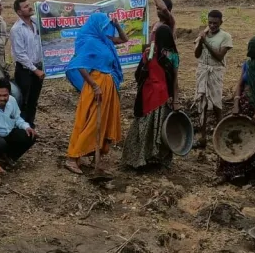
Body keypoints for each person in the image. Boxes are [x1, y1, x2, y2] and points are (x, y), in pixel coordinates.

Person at [64, 12, 128, 175]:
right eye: (104, 26)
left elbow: (124, 39)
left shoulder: (105, 41)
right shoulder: (90, 42)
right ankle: (72, 158)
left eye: (107, 26)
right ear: (96, 26)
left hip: (108, 84)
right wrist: (94, 86)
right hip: (96, 85)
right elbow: (79, 65)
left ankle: (95, 156)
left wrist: (117, 24)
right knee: (91, 121)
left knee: (104, 121)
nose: (107, 29)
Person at [219, 36, 255, 184]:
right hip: (244, 105)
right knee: (235, 136)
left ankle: (254, 173)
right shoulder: (247, 64)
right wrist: (236, 103)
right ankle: (234, 171)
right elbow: (240, 85)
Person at [123, 24, 179, 170]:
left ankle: (140, 158)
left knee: (144, 127)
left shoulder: (153, 53)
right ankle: (157, 158)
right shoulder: (171, 55)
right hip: (162, 96)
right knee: (161, 129)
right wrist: (175, 99)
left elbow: (139, 75)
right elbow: (175, 80)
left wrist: (146, 62)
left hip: (149, 95)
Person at [0, 78, 37, 186]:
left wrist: (26, 126)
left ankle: (6, 159)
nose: (2, 98)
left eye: (5, 95)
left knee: (30, 135)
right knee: (0, 144)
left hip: (7, 132)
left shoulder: (12, 101)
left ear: (9, 93)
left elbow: (17, 119)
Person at [194, 9, 233, 145]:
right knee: (202, 103)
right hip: (203, 70)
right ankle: (202, 137)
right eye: (210, 23)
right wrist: (200, 41)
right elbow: (197, 55)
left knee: (217, 104)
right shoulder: (204, 35)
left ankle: (221, 136)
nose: (212, 25)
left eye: (215, 23)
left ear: (221, 22)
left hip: (215, 71)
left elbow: (219, 56)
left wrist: (206, 42)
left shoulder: (225, 36)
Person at [10, 0, 44, 127]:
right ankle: (20, 128)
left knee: (33, 100)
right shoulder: (17, 29)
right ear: (19, 12)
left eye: (29, 5)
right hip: (25, 70)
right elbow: (20, 54)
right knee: (22, 100)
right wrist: (35, 70)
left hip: (38, 68)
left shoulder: (36, 24)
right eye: (25, 7)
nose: (29, 8)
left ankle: (30, 126)